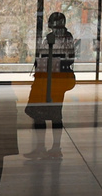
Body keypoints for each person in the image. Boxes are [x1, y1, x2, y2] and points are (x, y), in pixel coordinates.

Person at [24, 11, 76, 159]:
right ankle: (40, 146)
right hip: (44, 79)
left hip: (57, 80)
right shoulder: (49, 38)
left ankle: (55, 147)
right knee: (38, 113)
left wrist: (51, 60)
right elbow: (41, 55)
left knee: (55, 114)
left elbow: (69, 58)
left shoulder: (67, 38)